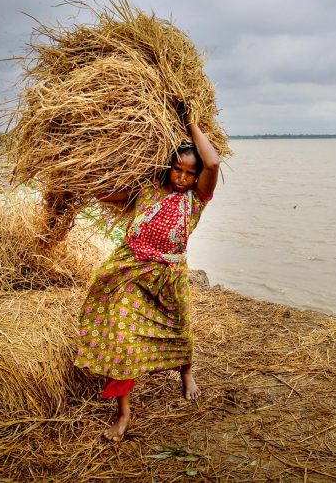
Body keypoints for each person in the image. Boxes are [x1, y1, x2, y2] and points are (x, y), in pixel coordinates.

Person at [74, 117, 220, 441]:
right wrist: (77, 183)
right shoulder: (147, 192)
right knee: (123, 337)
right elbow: (105, 193)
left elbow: (213, 160)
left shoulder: (195, 202)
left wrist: (191, 122)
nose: (182, 178)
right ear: (168, 167)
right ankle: (124, 413)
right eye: (177, 169)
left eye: (189, 173)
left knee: (180, 331)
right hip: (130, 270)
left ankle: (186, 373)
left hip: (169, 277)